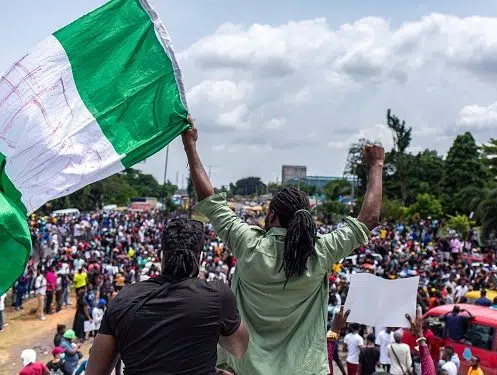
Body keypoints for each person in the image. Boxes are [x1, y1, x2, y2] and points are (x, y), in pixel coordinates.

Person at [185, 117, 384, 374]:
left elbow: (210, 200)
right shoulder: (321, 252)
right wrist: (377, 165)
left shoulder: (248, 245)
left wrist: (190, 145)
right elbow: (369, 219)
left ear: (271, 216)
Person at [87, 217, 249, 375]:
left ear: (161, 255)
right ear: (201, 257)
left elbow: (95, 371)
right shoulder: (217, 296)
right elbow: (239, 349)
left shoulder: (124, 298)